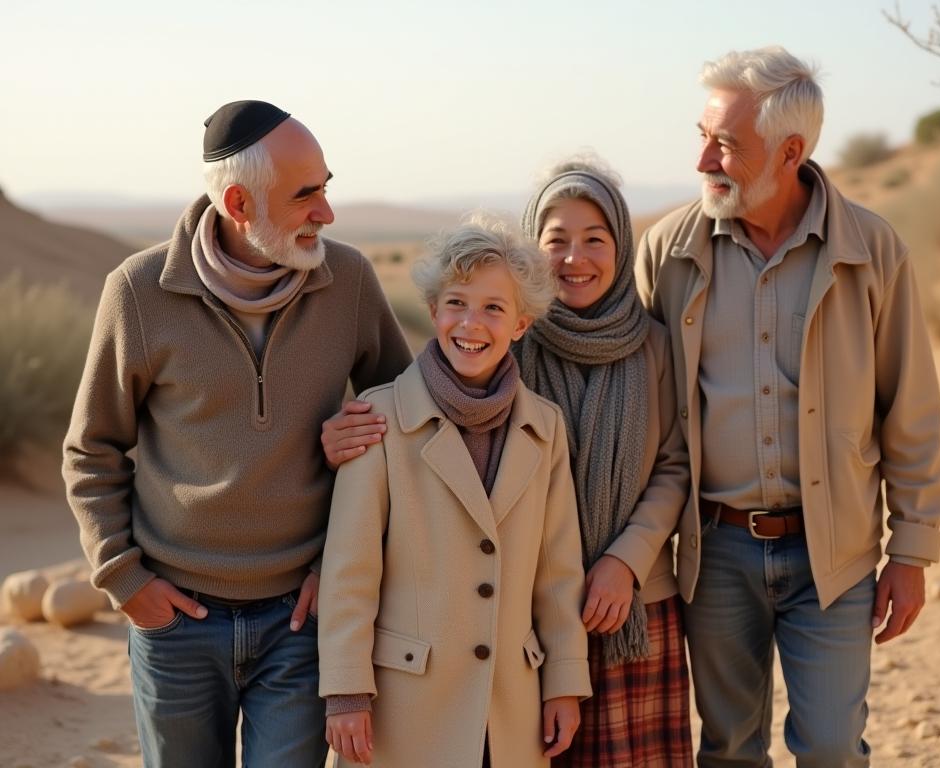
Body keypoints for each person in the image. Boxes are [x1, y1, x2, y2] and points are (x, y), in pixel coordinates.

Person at [62, 100, 412, 767]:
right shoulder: (138, 293)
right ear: (238, 203)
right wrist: (123, 578)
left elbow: (409, 417)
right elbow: (91, 448)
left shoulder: (350, 284)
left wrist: (361, 445)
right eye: (305, 195)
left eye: (325, 187)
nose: (327, 213)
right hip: (175, 623)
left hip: (302, 623)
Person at [635, 48, 940, 767]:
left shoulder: (873, 249)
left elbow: (912, 408)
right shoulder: (668, 251)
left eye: (725, 145)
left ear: (791, 151)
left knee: (834, 747)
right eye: (702, 134)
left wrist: (913, 550)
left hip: (831, 552)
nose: (701, 159)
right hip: (713, 553)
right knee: (730, 749)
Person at [318, 218, 592, 767]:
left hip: (510, 704)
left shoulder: (547, 427)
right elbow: (350, 572)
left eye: (493, 308)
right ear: (434, 309)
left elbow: (558, 573)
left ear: (521, 324)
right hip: (407, 704)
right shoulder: (379, 418)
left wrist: (564, 680)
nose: (471, 323)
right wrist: (346, 691)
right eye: (456, 303)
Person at [518, 159, 693, 768]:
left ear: (621, 245)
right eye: (556, 241)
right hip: (529, 615)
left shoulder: (655, 345)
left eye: (595, 240)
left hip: (633, 609)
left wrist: (626, 562)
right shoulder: (509, 342)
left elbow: (675, 467)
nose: (575, 258)